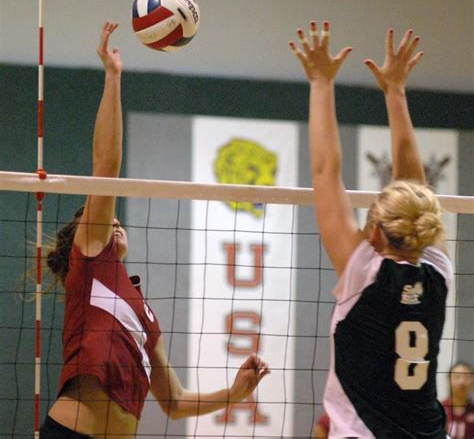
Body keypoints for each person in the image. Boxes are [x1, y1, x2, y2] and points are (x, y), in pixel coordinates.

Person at [40, 21, 270, 438]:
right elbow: (105, 167)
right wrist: (113, 78)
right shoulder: (90, 256)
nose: (115, 220)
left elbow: (175, 402)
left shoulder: (143, 315)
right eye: (105, 217)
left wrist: (235, 394)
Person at [290, 21, 452, 437]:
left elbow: (327, 171)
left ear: (376, 233)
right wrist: (396, 93)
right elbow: (414, 187)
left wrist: (321, 83)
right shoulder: (436, 272)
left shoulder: (365, 272)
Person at [442, 362, 474, 438]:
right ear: (449, 381)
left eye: (466, 377)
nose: (462, 382)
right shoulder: (438, 410)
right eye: (457, 377)